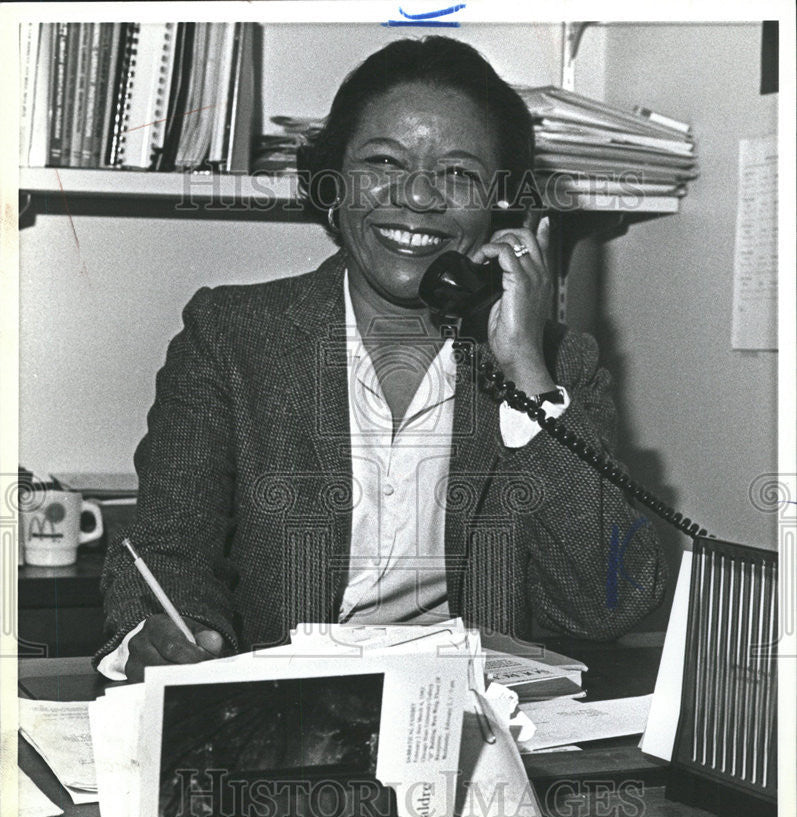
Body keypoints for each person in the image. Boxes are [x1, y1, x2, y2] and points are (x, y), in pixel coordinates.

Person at [95, 36, 667, 683]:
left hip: (469, 720)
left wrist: (523, 375)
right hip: (284, 712)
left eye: (458, 173)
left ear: (503, 207)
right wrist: (169, 635)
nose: (418, 198)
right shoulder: (230, 337)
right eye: (383, 162)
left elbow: (607, 604)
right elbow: (166, 550)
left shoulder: (556, 362)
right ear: (333, 184)